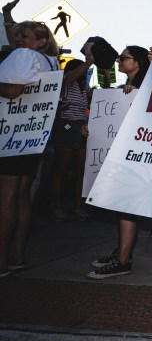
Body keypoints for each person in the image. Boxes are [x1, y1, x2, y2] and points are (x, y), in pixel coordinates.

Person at [0, 20, 60, 278]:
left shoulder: (23, 56)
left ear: (41, 41)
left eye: (24, 35)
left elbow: (13, 91)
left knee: (6, 198)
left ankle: (1, 261)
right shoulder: (51, 62)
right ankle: (16, 256)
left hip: (10, 136)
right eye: (17, 35)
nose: (19, 39)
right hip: (32, 138)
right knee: (23, 196)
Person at [87, 45, 150, 279]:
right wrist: (92, 126)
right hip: (121, 153)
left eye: (124, 58)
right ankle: (122, 252)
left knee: (126, 206)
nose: (119, 61)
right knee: (120, 206)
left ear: (139, 62)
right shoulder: (121, 91)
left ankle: (124, 260)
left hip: (136, 154)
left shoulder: (146, 88)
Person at [49, 55, 92, 222]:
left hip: (81, 126)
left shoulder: (83, 87)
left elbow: (97, 94)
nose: (84, 72)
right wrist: (88, 60)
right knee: (62, 168)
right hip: (66, 125)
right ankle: (57, 207)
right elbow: (70, 76)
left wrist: (107, 77)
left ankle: (77, 207)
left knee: (81, 171)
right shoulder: (66, 81)